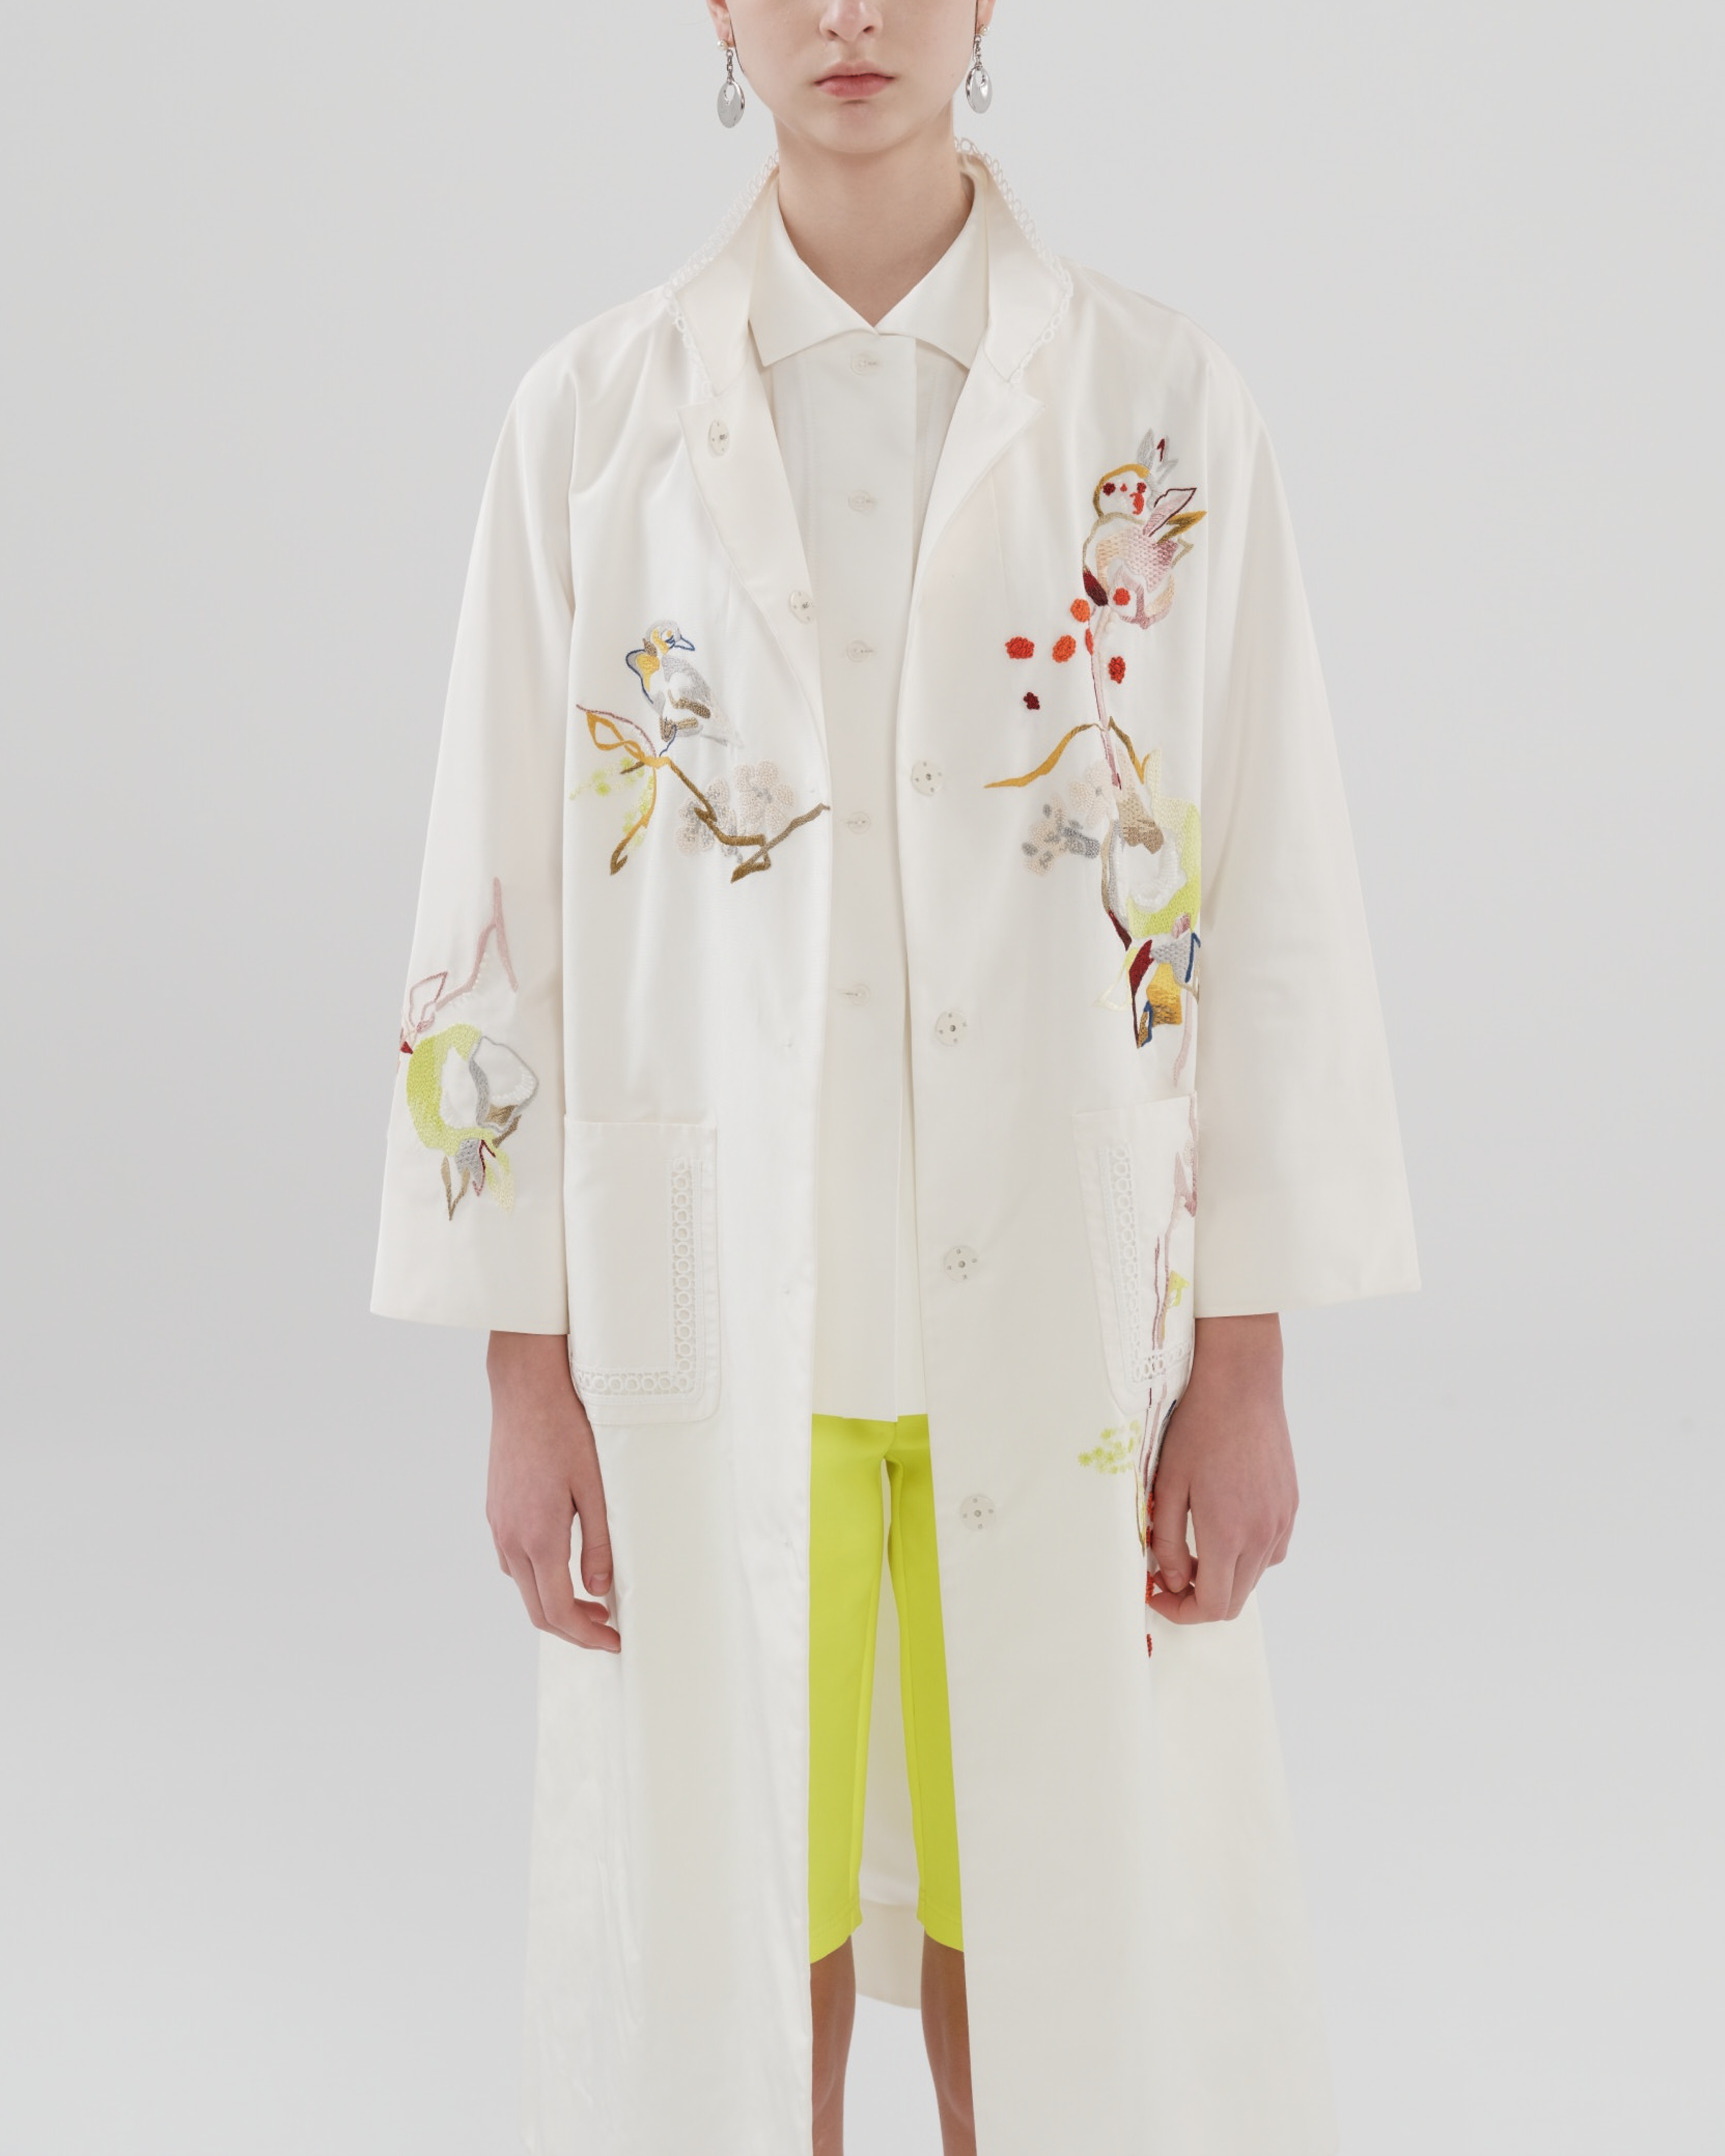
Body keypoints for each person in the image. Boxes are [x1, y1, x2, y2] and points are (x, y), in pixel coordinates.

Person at [371, 3, 1418, 2150]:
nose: (850, 14)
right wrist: (519, 1373)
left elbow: (1275, 893)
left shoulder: (1157, 410)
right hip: (710, 1316)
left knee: (1032, 1933)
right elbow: (495, 907)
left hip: (1061, 1317)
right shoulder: (591, 423)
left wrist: (1244, 1363)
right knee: (737, 1939)